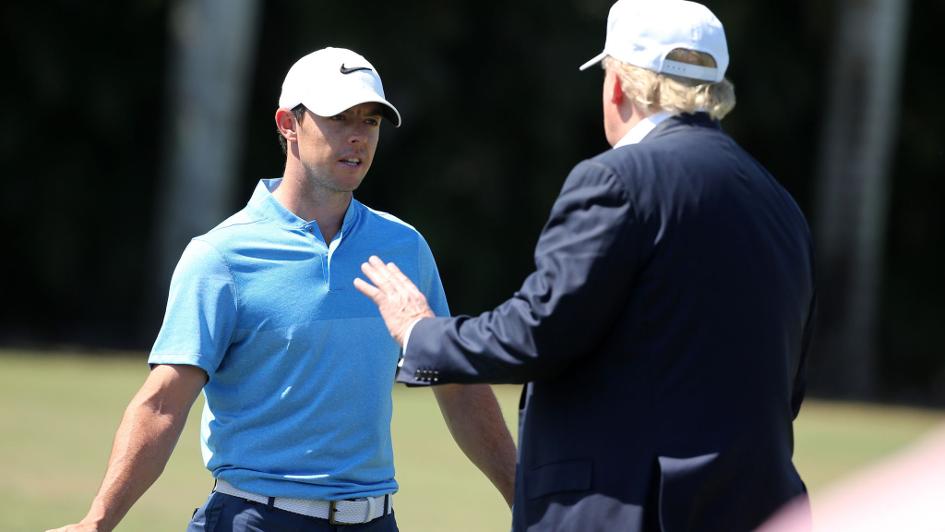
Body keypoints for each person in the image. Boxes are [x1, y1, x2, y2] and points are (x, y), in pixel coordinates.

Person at [354, 2, 816, 531]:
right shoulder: (778, 202)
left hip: (629, 511)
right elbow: (789, 383)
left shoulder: (619, 179)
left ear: (618, 83)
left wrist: (421, 333)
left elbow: (539, 331)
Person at [49, 47, 516, 532]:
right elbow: (164, 402)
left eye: (371, 120)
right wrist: (98, 520)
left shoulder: (404, 246)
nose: (358, 135)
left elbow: (457, 386)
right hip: (255, 519)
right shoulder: (221, 256)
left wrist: (526, 498)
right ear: (288, 124)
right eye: (339, 118)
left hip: (376, 520)